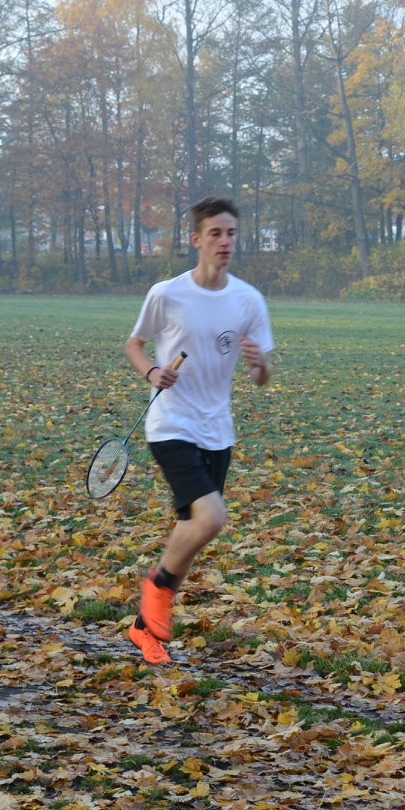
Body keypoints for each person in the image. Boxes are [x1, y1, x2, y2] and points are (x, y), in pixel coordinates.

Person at [122, 196, 274, 665]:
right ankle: (156, 588)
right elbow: (134, 343)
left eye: (231, 233)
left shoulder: (248, 300)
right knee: (210, 519)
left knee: (193, 530)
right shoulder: (167, 293)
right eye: (215, 233)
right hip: (171, 423)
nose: (225, 241)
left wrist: (259, 364)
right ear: (196, 239)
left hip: (217, 430)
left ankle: (144, 630)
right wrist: (151, 372)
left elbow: (262, 377)